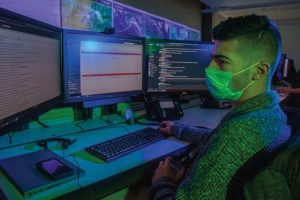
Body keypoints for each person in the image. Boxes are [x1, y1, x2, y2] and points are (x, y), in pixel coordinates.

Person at [149, 14, 291, 200]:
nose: (210, 68)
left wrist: (162, 181)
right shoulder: (268, 112)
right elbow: (220, 140)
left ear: (259, 71)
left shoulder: (237, 135)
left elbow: (227, 144)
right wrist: (178, 129)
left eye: (222, 61)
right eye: (212, 58)